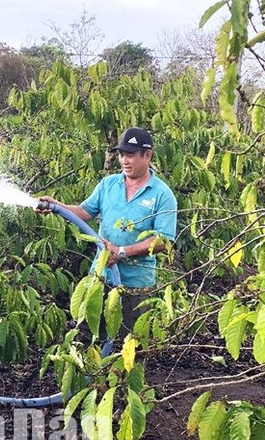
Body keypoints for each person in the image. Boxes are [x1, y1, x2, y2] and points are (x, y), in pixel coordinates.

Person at [38, 127, 177, 334]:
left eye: (130, 155)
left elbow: (163, 241)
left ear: (147, 155)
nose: (124, 161)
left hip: (136, 286)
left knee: (131, 344)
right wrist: (57, 206)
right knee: (85, 336)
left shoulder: (162, 195)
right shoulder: (108, 184)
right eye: (121, 155)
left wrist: (121, 252)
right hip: (100, 276)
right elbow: (85, 212)